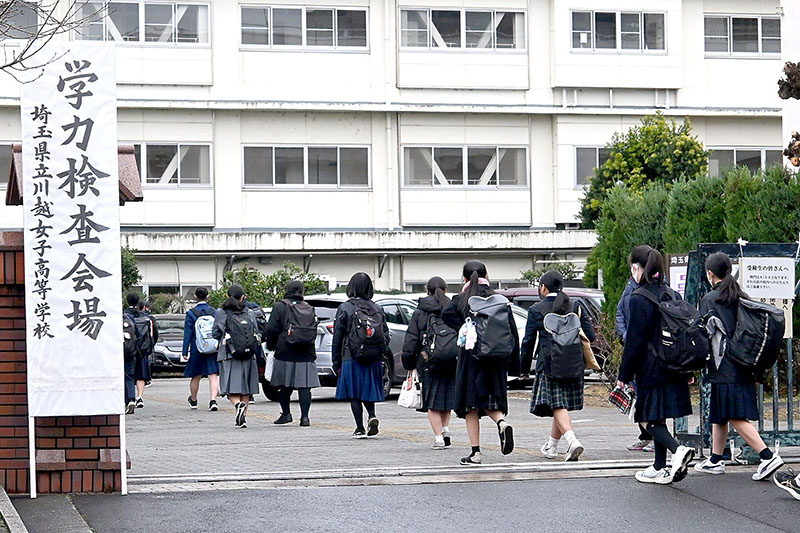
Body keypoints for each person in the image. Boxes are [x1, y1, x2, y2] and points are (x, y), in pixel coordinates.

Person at [693, 252, 783, 480]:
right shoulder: (739, 295)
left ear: (710, 273)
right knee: (720, 413)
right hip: (742, 364)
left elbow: (704, 334)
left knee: (734, 416)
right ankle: (715, 459)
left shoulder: (710, 299)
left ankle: (767, 456)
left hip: (724, 366)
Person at [618, 245, 695, 485]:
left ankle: (677, 450)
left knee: (648, 417)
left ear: (637, 268)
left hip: (650, 367)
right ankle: (659, 467)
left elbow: (635, 341)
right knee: (659, 416)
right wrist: (688, 370)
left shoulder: (638, 298)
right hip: (674, 364)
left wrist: (624, 374)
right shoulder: (672, 294)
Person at [442, 260, 519, 466]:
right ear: (487, 275)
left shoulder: (462, 299)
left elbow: (446, 314)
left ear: (464, 278)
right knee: (491, 398)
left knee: (471, 406)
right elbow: (512, 332)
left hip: (471, 359)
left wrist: (466, 327)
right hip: (496, 360)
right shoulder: (499, 299)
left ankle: (476, 453)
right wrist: (515, 365)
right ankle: (501, 422)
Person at [523, 270, 594, 461]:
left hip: (549, 366)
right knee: (559, 405)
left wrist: (522, 369)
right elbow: (591, 336)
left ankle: (572, 441)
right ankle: (552, 446)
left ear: (543, 288)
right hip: (574, 364)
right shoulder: (576, 306)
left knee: (557, 405)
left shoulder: (536, 309)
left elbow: (528, 342)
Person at [401, 276, 457, 450]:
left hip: (428, 361)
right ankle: (446, 429)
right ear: (445, 290)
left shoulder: (421, 311)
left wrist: (408, 362)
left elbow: (411, 339)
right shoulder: (453, 308)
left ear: (428, 291)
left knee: (432, 402)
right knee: (447, 398)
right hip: (452, 360)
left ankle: (439, 438)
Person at [332, 272, 390, 438]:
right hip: (373, 357)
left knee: (354, 393)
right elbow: (385, 334)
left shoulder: (345, 308)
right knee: (368, 389)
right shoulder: (377, 308)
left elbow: (338, 336)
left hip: (351, 356)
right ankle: (372, 415)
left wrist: (336, 361)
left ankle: (359, 428)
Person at [265, 280, 320, 426]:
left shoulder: (280, 306)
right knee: (305, 386)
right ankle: (305, 417)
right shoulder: (309, 307)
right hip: (306, 351)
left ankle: (286, 414)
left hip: (285, 350)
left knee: (283, 384)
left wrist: (271, 346)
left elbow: (271, 329)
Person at [213, 284, 260, 428]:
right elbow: (256, 331)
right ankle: (243, 419)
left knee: (230, 388)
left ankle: (238, 405)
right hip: (248, 354)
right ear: (243, 297)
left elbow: (215, 332)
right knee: (245, 388)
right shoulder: (249, 312)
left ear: (227, 296)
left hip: (229, 354)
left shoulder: (222, 312)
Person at [617, 271, 654, 453]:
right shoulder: (629, 288)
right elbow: (620, 315)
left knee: (647, 402)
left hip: (649, 355)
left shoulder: (655, 290)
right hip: (633, 349)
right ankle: (648, 436)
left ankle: (661, 440)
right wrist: (625, 335)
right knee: (637, 400)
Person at [182, 287, 220, 411]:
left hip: (196, 347)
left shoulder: (191, 313)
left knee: (196, 375)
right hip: (212, 347)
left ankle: (193, 400)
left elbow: (187, 333)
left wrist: (184, 351)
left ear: (195, 297)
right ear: (207, 296)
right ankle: (213, 400)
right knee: (212, 374)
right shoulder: (214, 312)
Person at [133, 300, 158, 409]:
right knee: (141, 374)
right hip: (143, 349)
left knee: (129, 374)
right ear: (143, 307)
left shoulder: (125, 316)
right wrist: (150, 346)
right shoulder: (149, 319)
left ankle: (129, 397)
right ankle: (139, 397)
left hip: (129, 349)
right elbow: (154, 334)